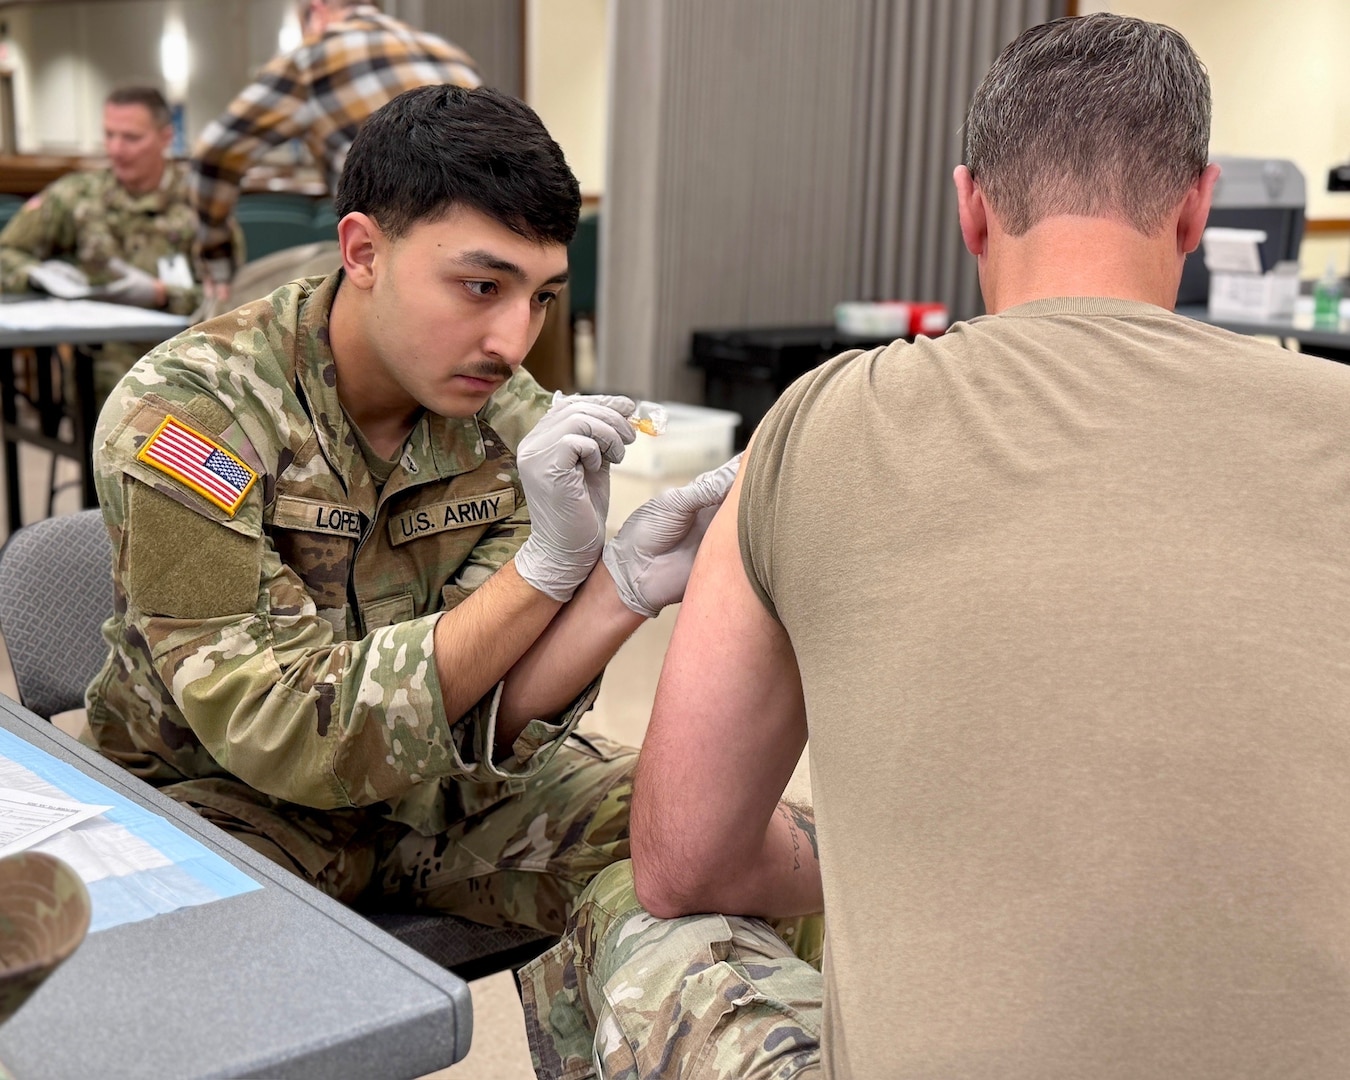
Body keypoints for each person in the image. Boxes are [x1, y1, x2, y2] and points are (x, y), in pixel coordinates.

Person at [520, 13, 1350, 1079]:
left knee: (643, 918)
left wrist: (898, 857)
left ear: (969, 206)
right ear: (1198, 206)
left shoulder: (822, 424)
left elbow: (686, 855)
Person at [86, 84, 738, 941]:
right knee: (192, 981)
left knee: (727, 842)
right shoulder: (192, 417)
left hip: (428, 787)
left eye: (541, 296)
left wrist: (613, 589)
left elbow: (479, 707)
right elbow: (281, 728)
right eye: (480, 285)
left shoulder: (509, 425)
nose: (513, 340)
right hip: (220, 802)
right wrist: (543, 572)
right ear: (362, 251)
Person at [189, 0, 480, 290]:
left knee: (239, 302)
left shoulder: (311, 58)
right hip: (478, 255)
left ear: (316, 11)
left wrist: (217, 261)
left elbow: (213, 156)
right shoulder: (451, 55)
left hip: (396, 261)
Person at [0, 85, 241, 406]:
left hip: (182, 364)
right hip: (100, 364)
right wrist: (38, 276)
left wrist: (162, 294)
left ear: (165, 137)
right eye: (109, 135)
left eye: (131, 138)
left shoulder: (200, 207)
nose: (116, 149)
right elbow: (6, 253)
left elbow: (233, 304)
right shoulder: (78, 196)